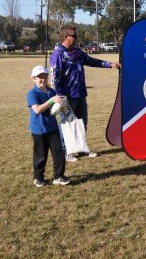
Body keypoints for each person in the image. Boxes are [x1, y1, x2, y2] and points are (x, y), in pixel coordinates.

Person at [50, 25, 121, 160]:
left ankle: (81, 149)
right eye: (74, 36)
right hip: (66, 96)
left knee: (82, 123)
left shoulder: (77, 52)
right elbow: (54, 78)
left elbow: (91, 61)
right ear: (66, 37)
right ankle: (66, 152)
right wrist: (57, 96)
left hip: (80, 94)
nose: (76, 38)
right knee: (67, 124)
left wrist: (110, 64)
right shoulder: (58, 54)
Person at [27, 65, 70, 187]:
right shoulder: (32, 93)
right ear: (33, 79)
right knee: (40, 155)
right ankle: (38, 178)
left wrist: (63, 106)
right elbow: (37, 110)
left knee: (59, 153)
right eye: (40, 77)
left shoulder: (52, 91)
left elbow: (57, 107)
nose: (43, 80)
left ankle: (59, 176)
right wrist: (52, 100)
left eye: (45, 77)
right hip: (39, 130)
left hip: (53, 128)